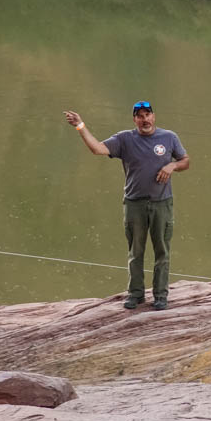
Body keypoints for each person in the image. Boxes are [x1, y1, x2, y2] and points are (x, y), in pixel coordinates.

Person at [63, 102, 189, 310]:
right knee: (135, 252)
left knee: (162, 252)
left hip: (161, 203)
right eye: (139, 116)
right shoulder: (124, 139)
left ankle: (160, 296)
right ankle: (136, 294)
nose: (145, 119)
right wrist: (80, 126)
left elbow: (185, 160)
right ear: (134, 120)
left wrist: (172, 164)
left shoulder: (169, 137)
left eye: (147, 114)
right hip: (134, 204)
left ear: (154, 116)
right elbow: (97, 149)